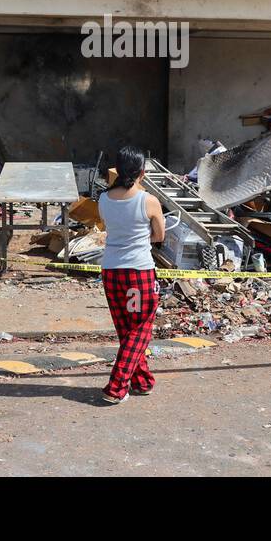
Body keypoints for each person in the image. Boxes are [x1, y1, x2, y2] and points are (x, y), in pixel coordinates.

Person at [96, 145, 165, 404]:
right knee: (140, 329)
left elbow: (106, 225)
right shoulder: (148, 200)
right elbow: (160, 236)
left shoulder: (103, 199)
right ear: (142, 173)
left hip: (111, 271)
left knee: (127, 330)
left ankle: (142, 381)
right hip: (139, 272)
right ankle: (116, 386)